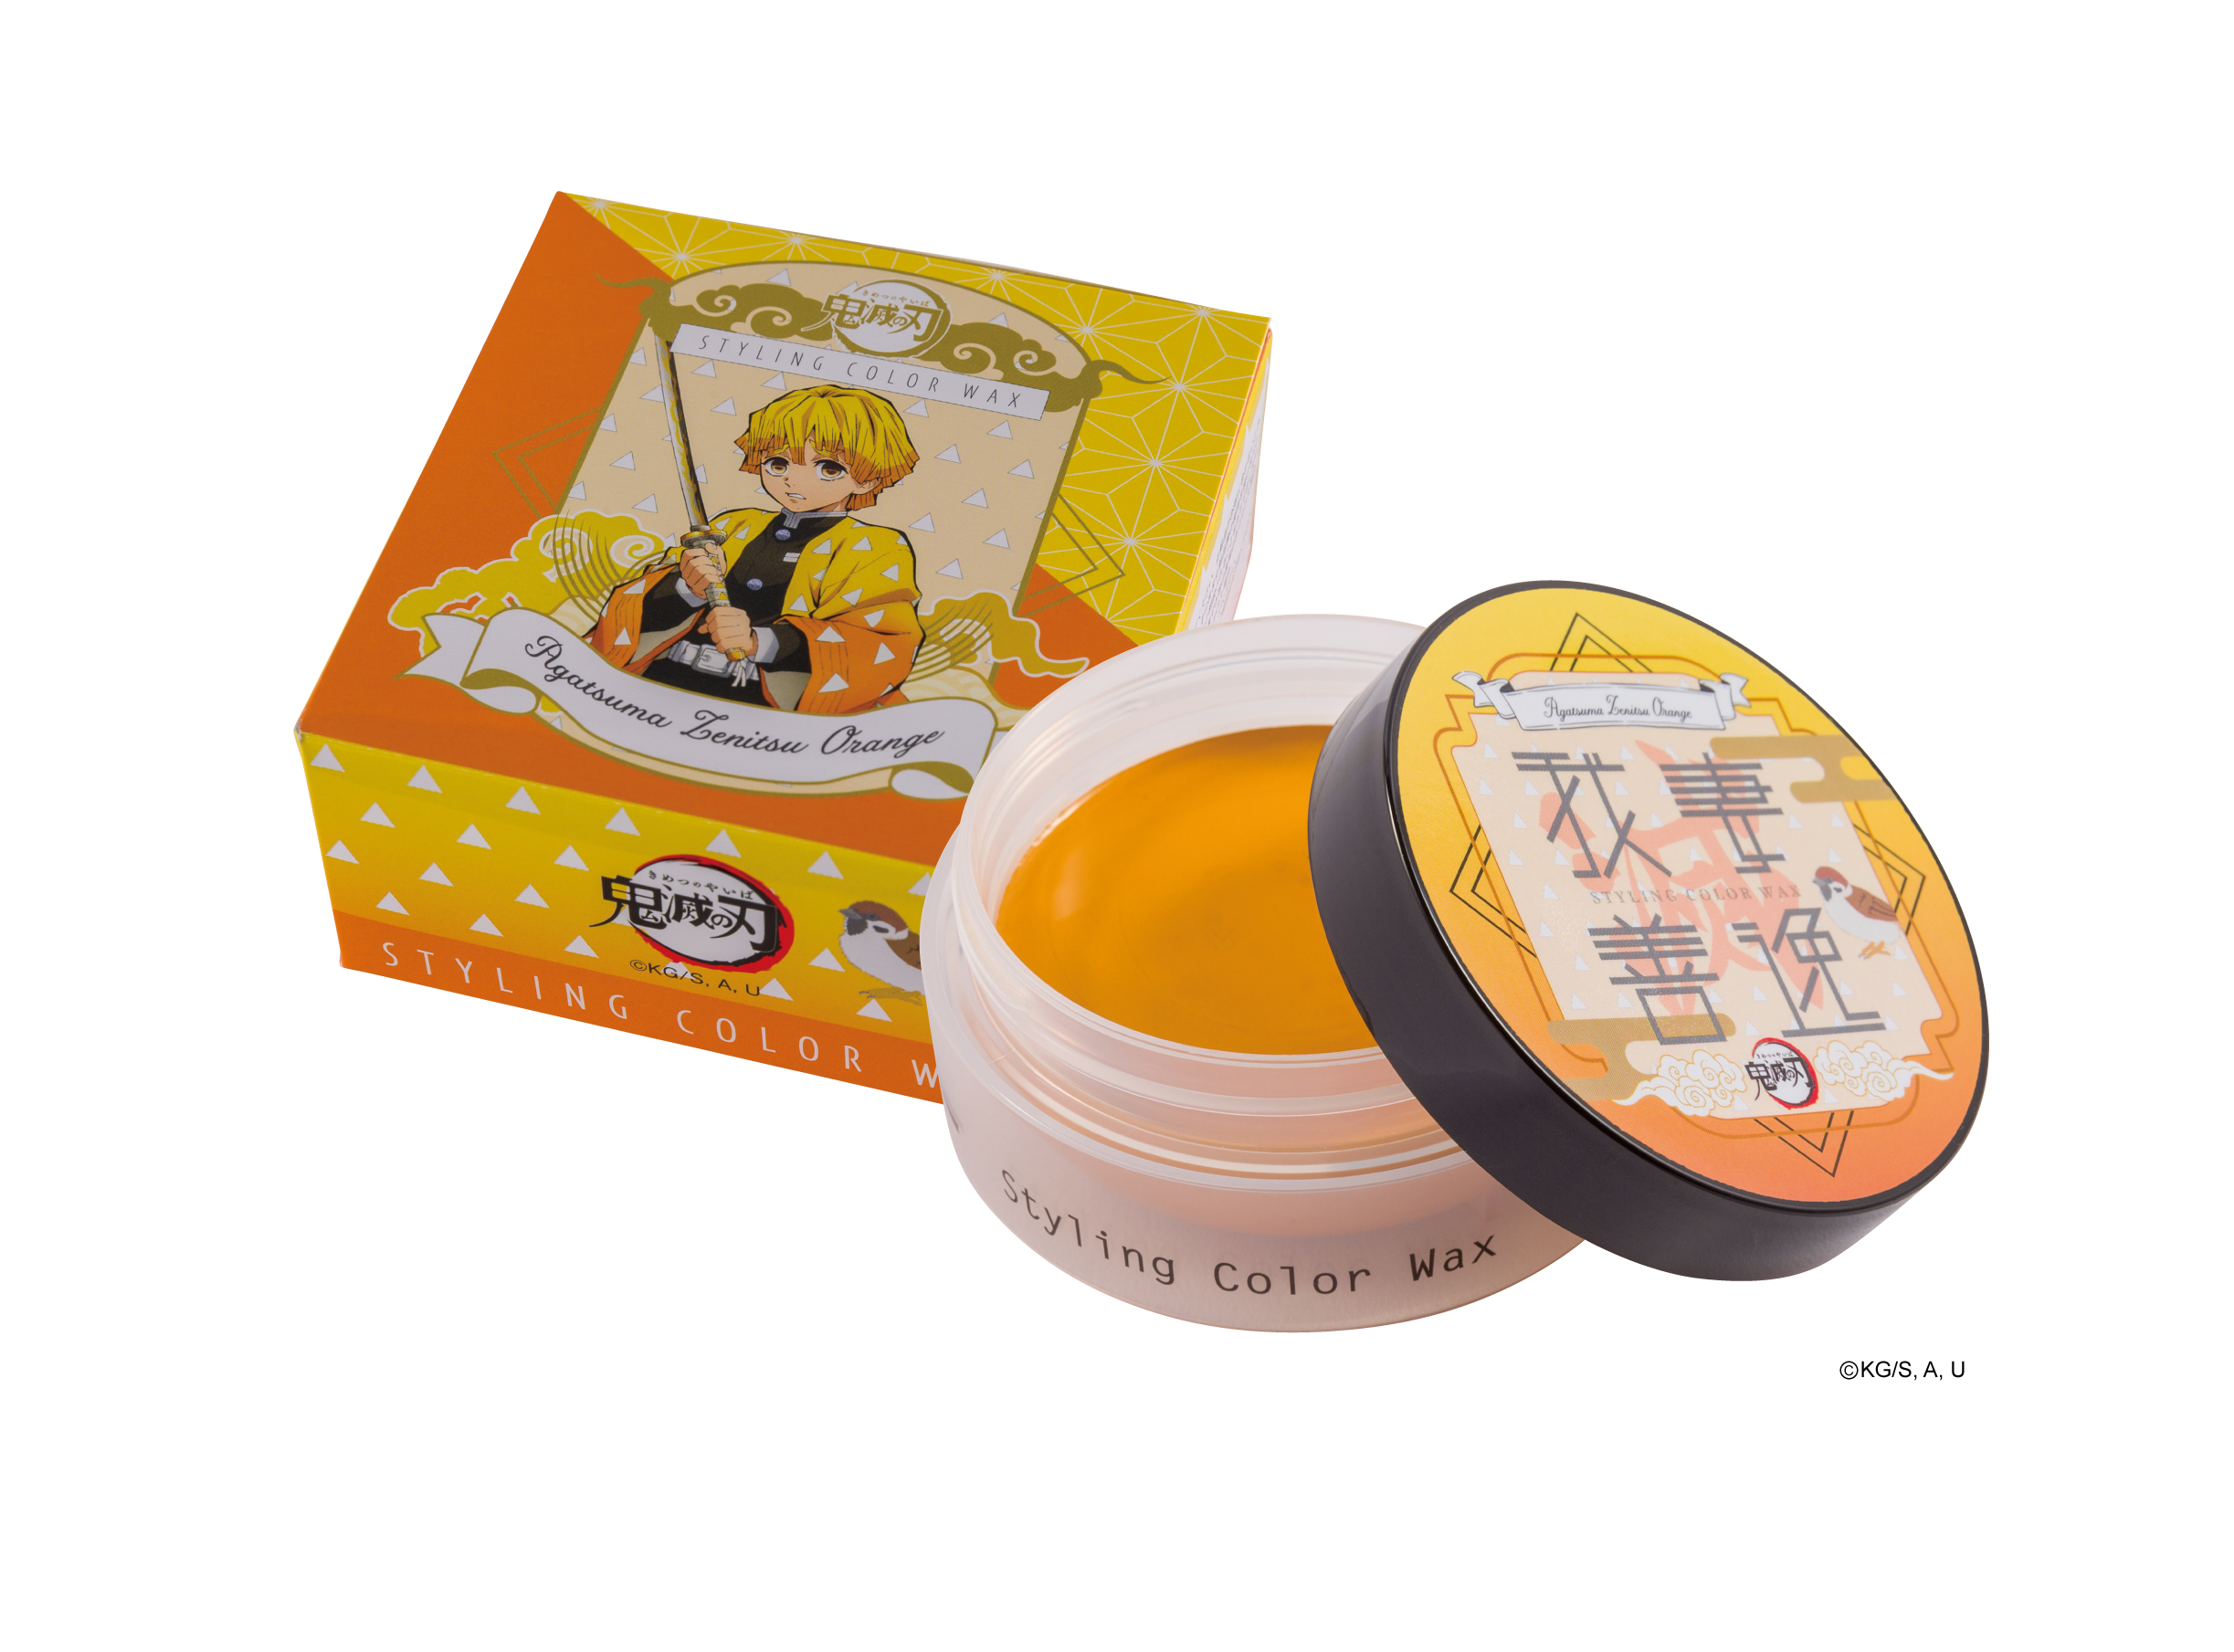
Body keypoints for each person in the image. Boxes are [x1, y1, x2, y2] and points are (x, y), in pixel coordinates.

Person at [585, 384, 923, 715]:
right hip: (659, 681)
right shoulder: (732, 525)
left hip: (762, 709)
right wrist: (686, 588)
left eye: (828, 468)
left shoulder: (874, 547)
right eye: (778, 463)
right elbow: (633, 608)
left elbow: (879, 640)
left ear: (868, 479)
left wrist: (760, 642)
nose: (793, 480)